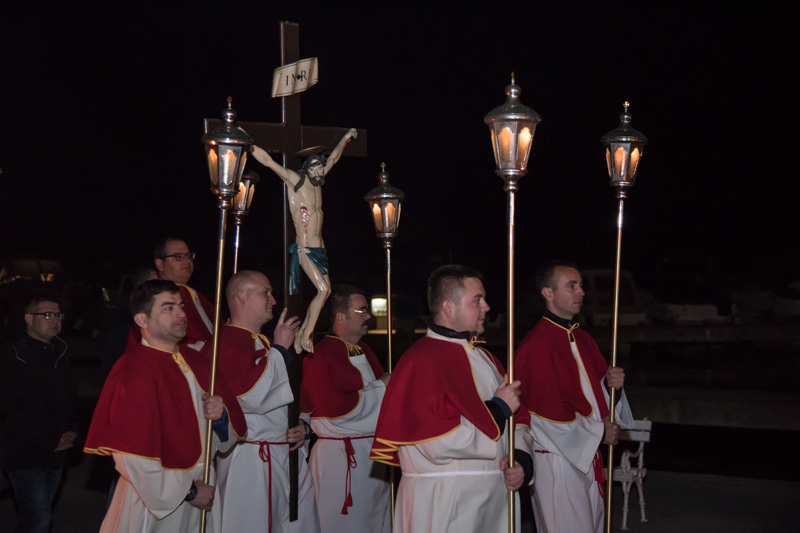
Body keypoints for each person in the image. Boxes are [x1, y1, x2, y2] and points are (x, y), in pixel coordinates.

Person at [370, 265, 533, 533]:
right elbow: (435, 441)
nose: (487, 307)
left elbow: (521, 420)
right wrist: (498, 408)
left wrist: (520, 458)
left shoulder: (487, 358)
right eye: (477, 300)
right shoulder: (420, 361)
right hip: (446, 499)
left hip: (496, 499)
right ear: (448, 307)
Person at [84, 280, 246, 533]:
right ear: (142, 320)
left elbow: (218, 439)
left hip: (204, 487)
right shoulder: (134, 369)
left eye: (181, 306)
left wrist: (221, 417)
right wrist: (189, 491)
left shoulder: (198, 362)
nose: (181, 314)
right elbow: (131, 456)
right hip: (156, 499)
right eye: (168, 308)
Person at [515, 260, 634, 533]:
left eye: (580, 285)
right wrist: (599, 432)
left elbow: (595, 399)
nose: (581, 292)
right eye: (572, 286)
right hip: (558, 461)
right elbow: (541, 417)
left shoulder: (583, 339)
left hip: (585, 453)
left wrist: (611, 386)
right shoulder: (536, 347)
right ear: (548, 293)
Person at [214, 270, 320, 532]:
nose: (273, 300)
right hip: (249, 461)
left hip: (285, 456)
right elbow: (250, 398)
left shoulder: (265, 342)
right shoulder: (225, 343)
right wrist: (280, 350)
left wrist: (302, 428)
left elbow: (297, 400)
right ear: (242, 295)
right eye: (266, 293)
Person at [251, 128, 358, 353]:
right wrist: (248, 146)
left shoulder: (318, 181)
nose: (320, 171)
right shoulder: (296, 181)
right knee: (322, 290)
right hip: (305, 247)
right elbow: (269, 162)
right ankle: (305, 334)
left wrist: (347, 138)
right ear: (308, 168)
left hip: (320, 248)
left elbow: (335, 157)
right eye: (316, 168)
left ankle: (302, 334)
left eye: (321, 167)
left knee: (326, 291)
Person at [300, 284, 391, 533]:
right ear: (341, 316)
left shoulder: (365, 350)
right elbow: (339, 412)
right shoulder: (320, 355)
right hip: (341, 459)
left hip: (372, 455)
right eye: (362, 311)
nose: (369, 316)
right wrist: (382, 387)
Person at [0, 294, 78, 533]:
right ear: (28, 319)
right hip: (23, 455)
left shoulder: (61, 352)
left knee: (34, 516)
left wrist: (74, 431)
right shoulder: (12, 356)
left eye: (57, 315)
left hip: (55, 455)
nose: (54, 320)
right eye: (46, 315)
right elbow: (9, 412)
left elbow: (70, 400)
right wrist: (49, 441)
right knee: (39, 517)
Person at [124, 237, 214, 352]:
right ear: (160, 264)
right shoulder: (154, 297)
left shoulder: (193, 292)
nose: (187, 261)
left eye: (188, 256)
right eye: (179, 257)